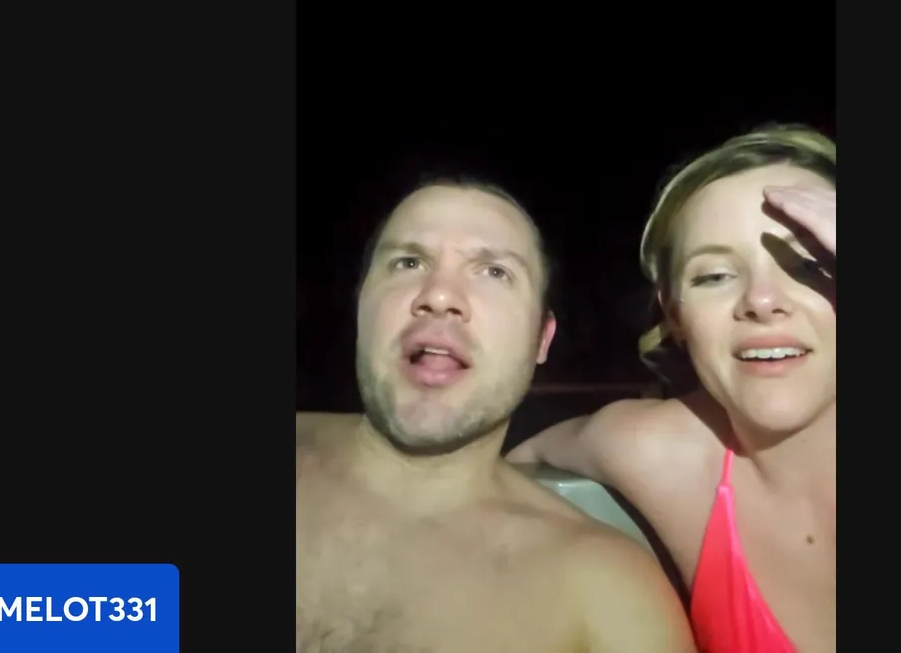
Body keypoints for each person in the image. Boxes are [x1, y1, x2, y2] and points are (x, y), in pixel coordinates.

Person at [296, 177, 695, 653]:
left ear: (541, 340)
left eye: (494, 272)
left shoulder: (605, 595)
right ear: (362, 305)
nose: (439, 295)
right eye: (408, 262)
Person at [507, 124, 837, 653]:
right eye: (714, 276)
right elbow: (486, 475)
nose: (761, 300)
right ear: (675, 314)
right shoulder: (664, 454)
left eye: (810, 264)